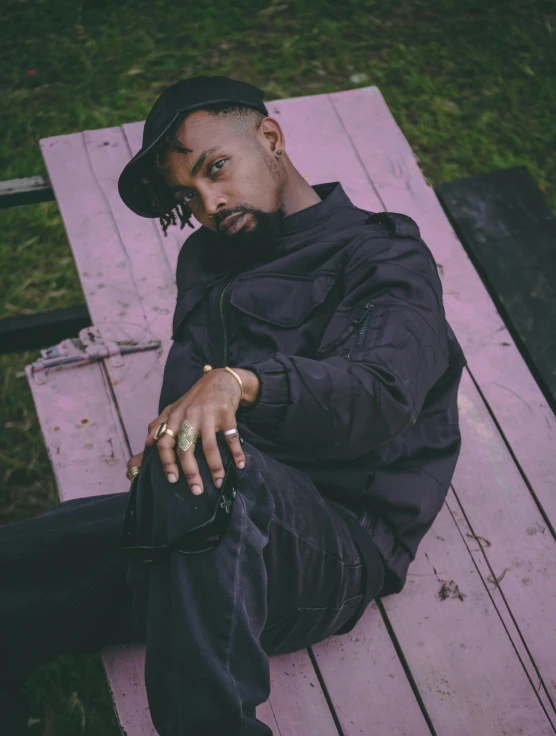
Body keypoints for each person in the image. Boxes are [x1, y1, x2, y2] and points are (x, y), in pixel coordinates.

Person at [0, 76, 467, 735]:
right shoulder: (210, 261)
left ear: (269, 138)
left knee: (206, 463)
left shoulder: (381, 254)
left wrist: (243, 383)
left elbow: (380, 396)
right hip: (210, 537)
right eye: (189, 195)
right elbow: (188, 396)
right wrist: (168, 438)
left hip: (332, 547)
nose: (211, 203)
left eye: (215, 169)